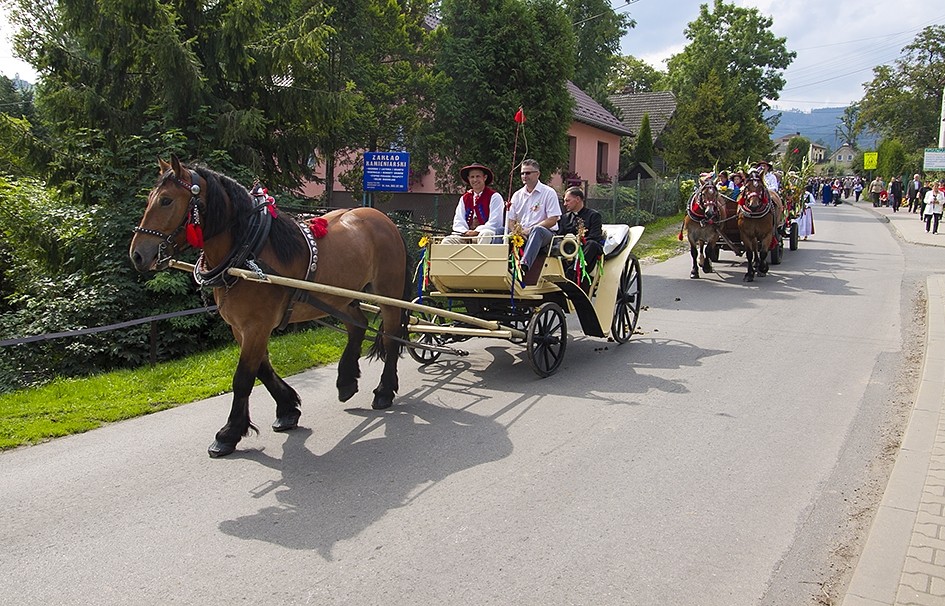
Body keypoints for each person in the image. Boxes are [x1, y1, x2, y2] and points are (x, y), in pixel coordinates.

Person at [507, 159, 561, 276]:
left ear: (538, 174)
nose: (524, 176)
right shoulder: (517, 195)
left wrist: (529, 230)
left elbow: (553, 219)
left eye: (528, 173)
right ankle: (497, 264)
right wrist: (515, 232)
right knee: (499, 231)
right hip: (521, 233)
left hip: (545, 234)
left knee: (537, 230)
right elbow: (511, 220)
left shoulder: (549, 192)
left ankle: (523, 266)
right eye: (522, 173)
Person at [443, 163, 505, 244]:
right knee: (447, 241)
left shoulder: (495, 197)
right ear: (468, 179)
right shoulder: (464, 198)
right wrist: (465, 232)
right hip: (466, 235)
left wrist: (477, 231)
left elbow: (495, 222)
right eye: (472, 177)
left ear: (485, 177)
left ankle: (480, 253)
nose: (475, 180)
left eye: (478, 176)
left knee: (486, 234)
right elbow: (459, 220)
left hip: (484, 234)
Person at [557, 186, 605, 290]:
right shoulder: (564, 218)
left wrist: (577, 242)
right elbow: (559, 236)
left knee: (592, 244)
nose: (564, 204)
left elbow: (595, 236)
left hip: (586, 250)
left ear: (578, 199)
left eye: (567, 201)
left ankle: (573, 272)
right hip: (568, 251)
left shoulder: (593, 215)